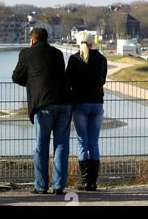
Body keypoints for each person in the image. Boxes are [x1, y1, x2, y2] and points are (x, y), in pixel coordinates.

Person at [12, 28, 73, 195]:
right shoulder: (58, 53)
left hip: (43, 104)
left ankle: (41, 186)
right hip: (65, 102)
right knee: (61, 146)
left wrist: (33, 82)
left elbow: (16, 77)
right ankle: (59, 186)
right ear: (47, 39)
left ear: (32, 40)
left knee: (41, 146)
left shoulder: (26, 53)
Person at [66, 31, 107, 191]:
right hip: (97, 104)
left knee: (82, 143)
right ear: (92, 43)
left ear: (77, 44)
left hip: (80, 104)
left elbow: (68, 80)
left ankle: (85, 182)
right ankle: (93, 182)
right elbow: (103, 79)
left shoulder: (74, 59)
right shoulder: (102, 59)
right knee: (94, 143)